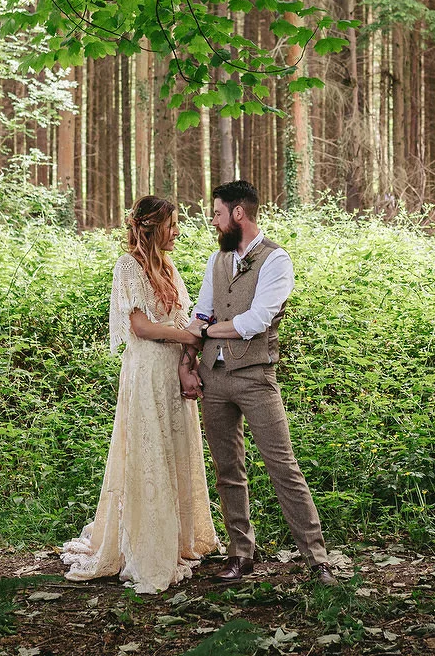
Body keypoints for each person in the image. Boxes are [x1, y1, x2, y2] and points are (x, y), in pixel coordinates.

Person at [60, 195, 219, 593]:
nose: (178, 231)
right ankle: (148, 545)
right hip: (147, 369)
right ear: (150, 227)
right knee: (149, 452)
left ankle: (178, 538)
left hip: (171, 372)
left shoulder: (169, 266)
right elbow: (142, 327)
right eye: (171, 225)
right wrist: (187, 336)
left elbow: (184, 316)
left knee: (175, 449)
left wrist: (189, 358)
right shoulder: (128, 266)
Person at [185, 179, 339, 586]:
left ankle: (318, 561)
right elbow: (200, 313)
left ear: (238, 214)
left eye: (217, 213)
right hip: (212, 379)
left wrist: (205, 331)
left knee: (282, 466)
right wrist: (193, 349)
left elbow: (256, 321)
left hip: (255, 377)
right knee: (227, 470)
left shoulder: (276, 260)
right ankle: (241, 555)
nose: (213, 221)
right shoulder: (216, 261)